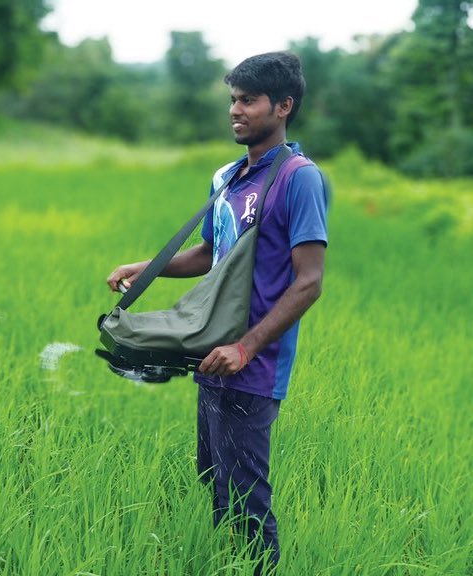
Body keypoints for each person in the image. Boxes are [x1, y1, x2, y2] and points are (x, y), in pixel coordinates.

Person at [106, 51, 328, 574]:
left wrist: (246, 346)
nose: (236, 110)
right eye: (233, 99)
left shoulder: (299, 179)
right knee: (216, 482)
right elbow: (210, 254)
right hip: (210, 354)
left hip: (252, 364)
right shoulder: (227, 177)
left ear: (283, 106)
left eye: (249, 100)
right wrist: (148, 267)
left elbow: (310, 281)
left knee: (248, 502)